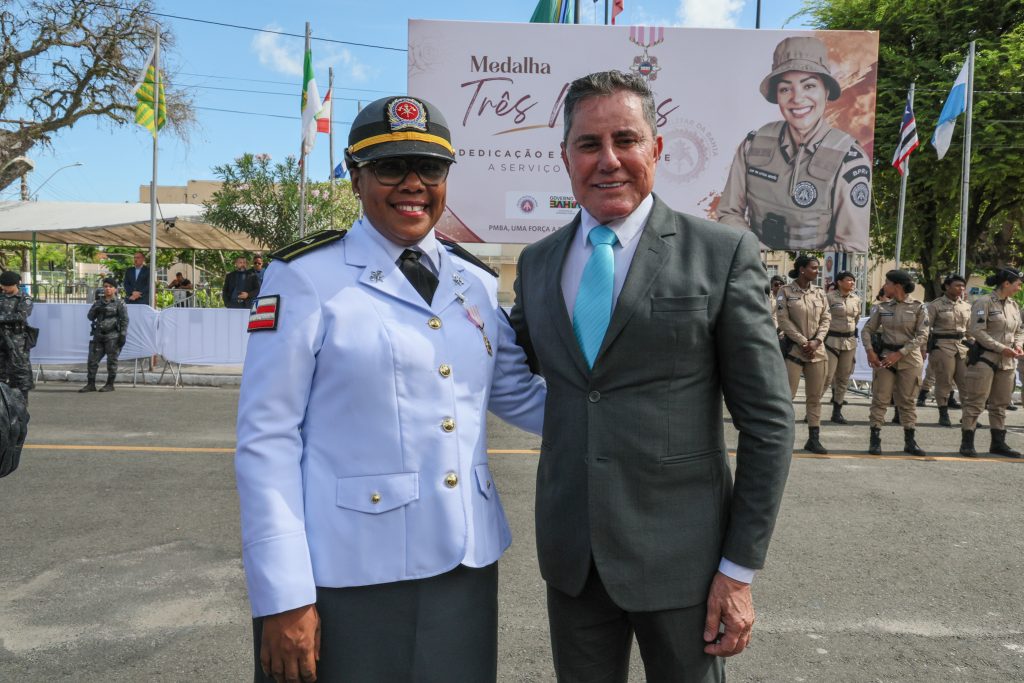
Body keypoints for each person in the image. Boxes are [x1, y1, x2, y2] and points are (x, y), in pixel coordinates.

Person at [235, 95, 547, 683]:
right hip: (348, 570)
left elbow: (517, 396)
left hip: (464, 561)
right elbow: (267, 439)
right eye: (389, 167)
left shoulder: (473, 281)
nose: (413, 184)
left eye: (430, 169)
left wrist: (632, 413)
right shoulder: (305, 277)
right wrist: (284, 594)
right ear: (355, 177)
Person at [509, 70, 794, 682]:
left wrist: (738, 570)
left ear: (656, 149)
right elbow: (511, 366)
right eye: (589, 144)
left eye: (626, 139)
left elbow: (769, 425)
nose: (608, 159)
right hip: (573, 561)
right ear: (565, 157)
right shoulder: (536, 265)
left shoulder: (722, 254)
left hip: (685, 564)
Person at [717, 36, 870, 252]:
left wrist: (800, 268)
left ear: (826, 91)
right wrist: (756, 253)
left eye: (809, 86)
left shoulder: (849, 160)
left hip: (812, 277)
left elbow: (851, 247)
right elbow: (728, 213)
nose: (797, 99)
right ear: (777, 96)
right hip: (753, 268)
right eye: (786, 89)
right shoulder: (753, 145)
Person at [861, 270, 929, 456]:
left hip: (909, 359)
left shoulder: (918, 307)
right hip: (885, 358)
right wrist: (870, 351)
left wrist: (900, 353)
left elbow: (923, 335)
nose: (884, 286)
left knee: (907, 401)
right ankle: (875, 440)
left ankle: (910, 441)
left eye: (887, 283)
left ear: (897, 285)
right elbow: (867, 330)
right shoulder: (882, 308)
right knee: (880, 399)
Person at [959, 267, 1024, 458]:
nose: (1019, 288)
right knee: (975, 402)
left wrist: (1018, 345)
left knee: (1000, 403)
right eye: (1018, 284)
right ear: (1006, 284)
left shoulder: (1013, 305)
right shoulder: (984, 302)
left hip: (1007, 362)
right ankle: (967, 442)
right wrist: (1000, 347)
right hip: (985, 359)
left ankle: (998, 443)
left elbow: (1019, 329)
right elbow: (977, 331)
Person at [776, 255, 830, 453]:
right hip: (795, 350)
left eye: (817, 268)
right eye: (814, 268)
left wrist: (817, 341)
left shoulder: (819, 293)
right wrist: (803, 341)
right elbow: (783, 320)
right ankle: (783, 438)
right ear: (802, 269)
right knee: (786, 397)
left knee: (814, 397)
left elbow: (826, 318)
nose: (817, 271)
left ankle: (813, 439)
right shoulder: (785, 292)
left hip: (817, 351)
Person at [924, 275, 971, 427]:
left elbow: (970, 329)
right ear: (947, 287)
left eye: (963, 286)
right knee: (944, 382)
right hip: (942, 346)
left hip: (962, 347)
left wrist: (974, 344)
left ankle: (968, 416)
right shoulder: (935, 305)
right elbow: (925, 328)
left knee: (966, 383)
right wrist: (924, 347)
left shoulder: (966, 306)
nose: (961, 289)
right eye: (957, 286)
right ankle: (943, 413)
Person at [823, 271, 861, 423]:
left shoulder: (856, 299)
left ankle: (837, 411)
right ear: (839, 282)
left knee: (844, 377)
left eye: (853, 280)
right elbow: (823, 318)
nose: (852, 282)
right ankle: (813, 409)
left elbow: (856, 319)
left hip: (849, 341)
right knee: (827, 376)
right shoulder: (829, 298)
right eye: (848, 280)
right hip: (831, 340)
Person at [80, 277, 128, 392]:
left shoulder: (119, 303)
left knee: (112, 361)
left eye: (110, 287)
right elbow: (90, 317)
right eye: (105, 286)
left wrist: (122, 335)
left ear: (115, 289)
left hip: (113, 336)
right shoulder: (98, 302)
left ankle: (110, 384)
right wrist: (96, 308)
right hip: (98, 335)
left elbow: (124, 320)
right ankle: (91, 384)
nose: (107, 289)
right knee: (92, 360)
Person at [0, 271, 34, 402]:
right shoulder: (1, 296)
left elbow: (20, 316)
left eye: (6, 286)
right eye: (2, 285)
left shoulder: (24, 298)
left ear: (14, 285)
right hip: (1, 339)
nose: (3, 288)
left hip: (16, 340)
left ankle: (21, 402)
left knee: (20, 369)